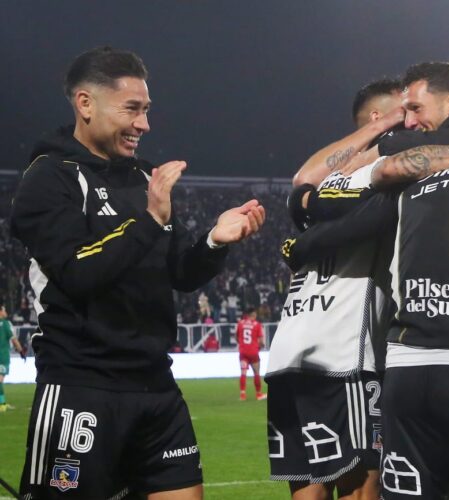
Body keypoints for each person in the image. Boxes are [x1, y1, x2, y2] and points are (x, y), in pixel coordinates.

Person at [282, 62, 449, 498]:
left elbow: (322, 202)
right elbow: (308, 186)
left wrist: (304, 241)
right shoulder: (421, 155)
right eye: (402, 112)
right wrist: (390, 128)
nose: (410, 119)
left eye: (414, 108)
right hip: (412, 354)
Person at [10, 46, 265, 499]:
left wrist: (213, 241)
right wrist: (148, 219)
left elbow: (180, 273)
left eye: (146, 110)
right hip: (82, 386)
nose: (143, 124)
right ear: (85, 104)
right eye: (132, 109)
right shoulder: (49, 178)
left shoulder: (144, 179)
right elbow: (77, 272)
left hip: (156, 385)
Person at [264, 78, 403, 500]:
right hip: (345, 356)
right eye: (406, 109)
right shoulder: (385, 176)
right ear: (383, 119)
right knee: (362, 488)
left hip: (288, 353)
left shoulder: (325, 181)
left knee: (308, 490)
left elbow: (302, 178)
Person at [0, 304, 25, 412]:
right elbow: (14, 339)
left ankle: (2, 403)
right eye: (4, 310)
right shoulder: (5, 324)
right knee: (0, 379)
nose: (6, 312)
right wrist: (21, 351)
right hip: (2, 356)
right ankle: (2, 404)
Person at [236, 307, 265, 400]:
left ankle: (242, 394)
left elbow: (236, 337)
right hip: (253, 352)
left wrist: (242, 344)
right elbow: (261, 340)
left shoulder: (240, 324)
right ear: (252, 315)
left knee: (243, 372)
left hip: (243, 352)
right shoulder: (257, 324)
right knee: (256, 373)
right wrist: (261, 346)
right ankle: (258, 394)